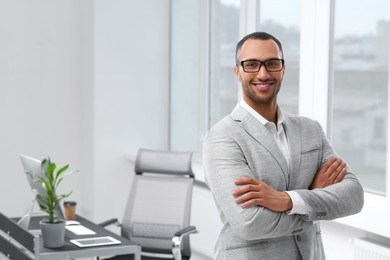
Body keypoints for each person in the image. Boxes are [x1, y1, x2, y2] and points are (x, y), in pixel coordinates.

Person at [202, 31, 364, 260]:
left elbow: (354, 196)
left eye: (272, 63)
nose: (263, 73)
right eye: (251, 65)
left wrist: (287, 200)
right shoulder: (222, 138)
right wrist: (311, 197)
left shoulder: (311, 130)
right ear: (237, 71)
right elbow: (250, 223)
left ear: (283, 69)